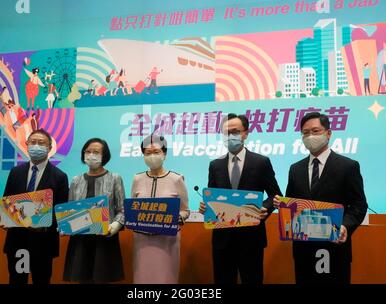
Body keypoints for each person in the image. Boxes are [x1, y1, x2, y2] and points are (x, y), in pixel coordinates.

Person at [274, 112, 368, 284]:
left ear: (328, 133)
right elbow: (293, 205)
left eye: (315, 131)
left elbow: (359, 205)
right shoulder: (295, 169)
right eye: (305, 133)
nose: (310, 136)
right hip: (303, 249)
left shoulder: (348, 166)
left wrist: (346, 226)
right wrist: (283, 205)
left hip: (335, 248)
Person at [199, 113, 282, 284]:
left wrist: (264, 208)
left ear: (246, 133)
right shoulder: (215, 165)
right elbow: (213, 196)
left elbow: (275, 195)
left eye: (235, 131)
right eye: (226, 132)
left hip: (251, 238)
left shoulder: (261, 162)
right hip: (222, 239)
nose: (230, 136)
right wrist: (205, 207)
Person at [2, 129, 69, 284]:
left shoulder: (60, 176)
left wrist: (43, 223)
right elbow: (7, 201)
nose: (36, 146)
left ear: (49, 147)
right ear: (26, 145)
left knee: (41, 280)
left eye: (41, 143)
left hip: (43, 242)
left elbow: (61, 210)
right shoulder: (15, 172)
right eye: (32, 142)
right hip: (18, 241)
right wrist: (6, 216)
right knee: (18, 279)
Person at [63, 138, 125, 283]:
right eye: (88, 151)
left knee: (102, 279)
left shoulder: (115, 178)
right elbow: (69, 210)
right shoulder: (76, 180)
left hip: (105, 240)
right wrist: (64, 224)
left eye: (96, 152)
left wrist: (115, 226)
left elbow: (123, 210)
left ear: (105, 156)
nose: (91, 155)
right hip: (80, 241)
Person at [131, 135, 190, 283]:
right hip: (142, 241)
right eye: (147, 153)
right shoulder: (137, 179)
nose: (152, 156)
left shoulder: (177, 179)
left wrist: (175, 218)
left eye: (156, 152)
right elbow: (132, 207)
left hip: (167, 241)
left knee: (165, 278)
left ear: (164, 154)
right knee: (142, 278)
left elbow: (185, 211)